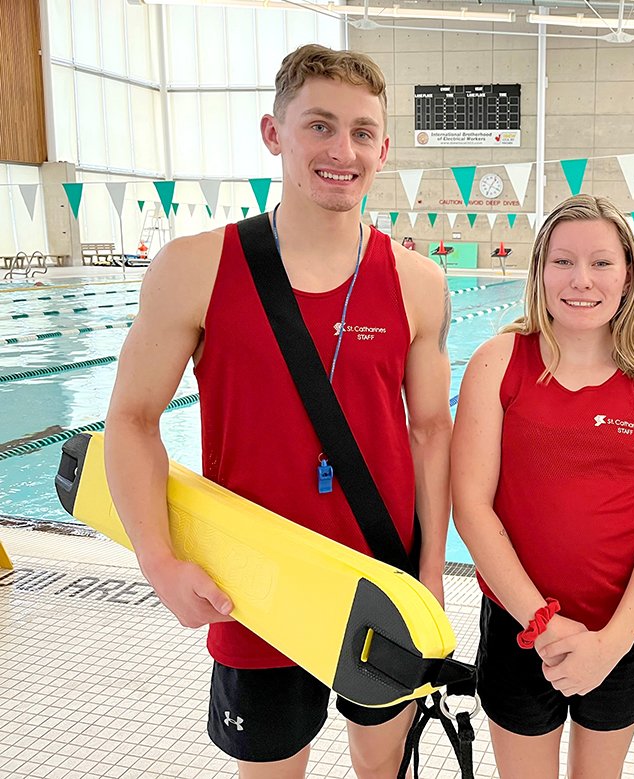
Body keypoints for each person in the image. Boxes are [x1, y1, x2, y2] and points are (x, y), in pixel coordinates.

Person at [103, 44, 453, 779]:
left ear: (383, 148)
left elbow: (430, 429)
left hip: (380, 572)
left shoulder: (418, 282)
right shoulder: (194, 268)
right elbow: (132, 419)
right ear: (274, 133)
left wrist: (428, 573)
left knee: (382, 766)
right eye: (319, 126)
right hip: (251, 587)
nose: (342, 150)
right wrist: (158, 559)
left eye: (361, 132)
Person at [452, 195, 634, 778]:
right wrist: (541, 622)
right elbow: (472, 508)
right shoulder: (497, 361)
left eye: (601, 263)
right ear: (539, 272)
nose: (581, 280)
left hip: (624, 624)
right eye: (563, 262)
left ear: (628, 273)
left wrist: (610, 645)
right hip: (519, 624)